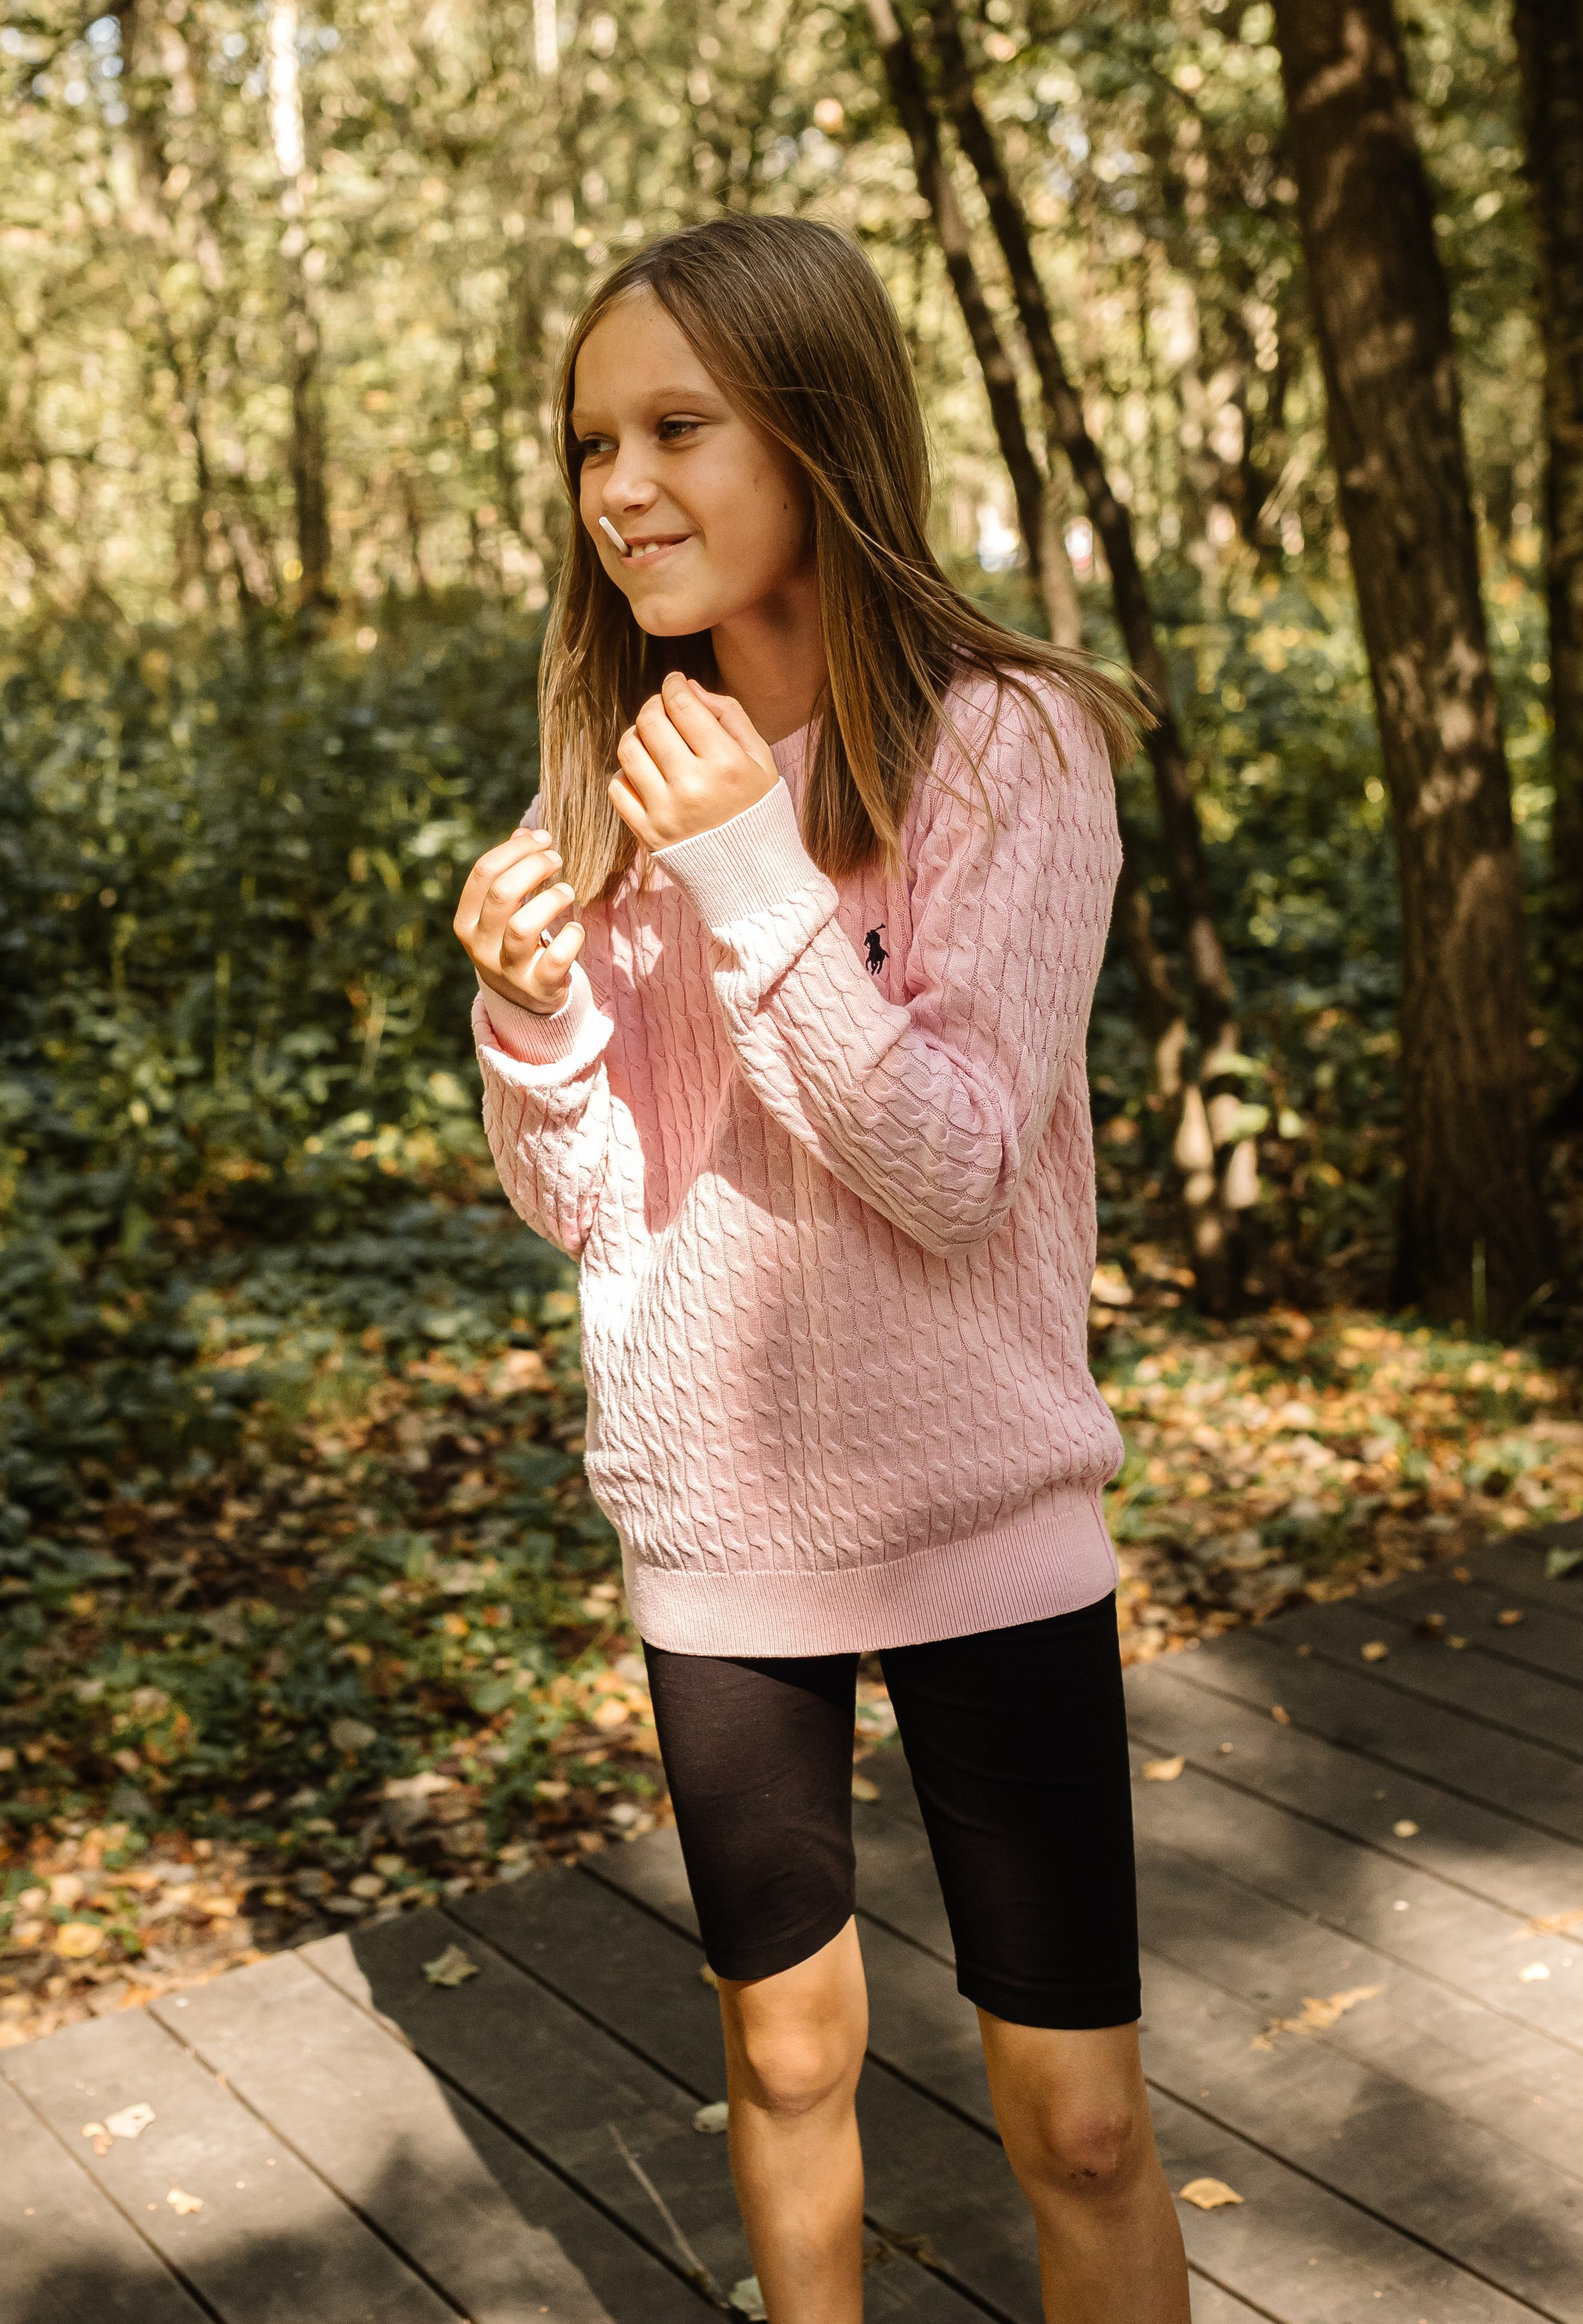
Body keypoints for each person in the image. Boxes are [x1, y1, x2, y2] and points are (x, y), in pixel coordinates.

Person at [452, 214, 1190, 2324]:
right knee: (783, 2058)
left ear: (821, 430)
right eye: (591, 440)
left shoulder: (1016, 746)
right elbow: (588, 1198)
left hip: (986, 1512)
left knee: (1082, 2124)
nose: (618, 489)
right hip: (720, 1525)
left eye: (677, 425)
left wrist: (752, 871)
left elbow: (953, 1164)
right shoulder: (612, 776)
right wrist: (532, 1022)